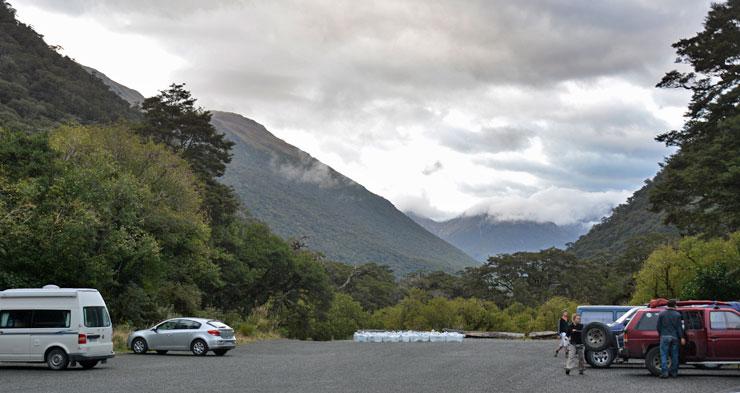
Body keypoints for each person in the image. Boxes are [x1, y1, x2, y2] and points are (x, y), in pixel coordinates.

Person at [656, 299, 685, 378]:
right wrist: (682, 337)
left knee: (664, 355)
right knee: (674, 355)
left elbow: (658, 326)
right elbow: (679, 328)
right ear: (674, 305)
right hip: (675, 336)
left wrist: (661, 334)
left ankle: (665, 372)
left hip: (664, 336)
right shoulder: (677, 315)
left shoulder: (661, 314)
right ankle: (674, 372)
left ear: (667, 305)